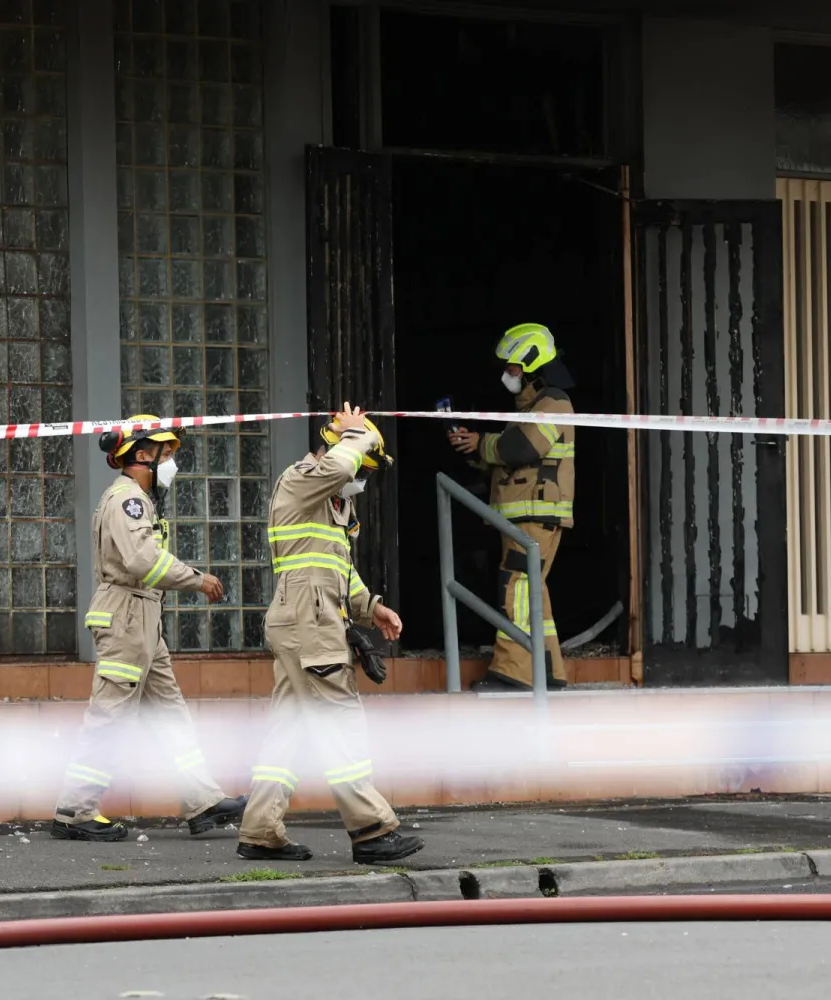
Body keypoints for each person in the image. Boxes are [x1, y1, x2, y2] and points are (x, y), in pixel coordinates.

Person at [237, 403, 424, 865]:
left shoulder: (333, 498)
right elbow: (341, 463)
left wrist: (372, 608)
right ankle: (371, 830)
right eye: (364, 465)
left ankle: (260, 830)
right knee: (341, 722)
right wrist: (357, 435)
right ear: (337, 446)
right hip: (308, 621)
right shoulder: (304, 477)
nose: (362, 475)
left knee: (289, 731)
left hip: (309, 618)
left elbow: (337, 567)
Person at [51, 414, 247, 842]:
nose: (173, 460)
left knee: (169, 714)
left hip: (141, 619)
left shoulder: (137, 499)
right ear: (142, 454)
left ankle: (202, 802)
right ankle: (75, 811)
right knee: (109, 715)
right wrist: (197, 579)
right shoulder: (128, 500)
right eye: (167, 452)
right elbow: (143, 561)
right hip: (126, 617)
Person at [448, 323, 576, 691]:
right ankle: (549, 671)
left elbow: (521, 449)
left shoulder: (555, 404)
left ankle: (514, 673)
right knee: (533, 593)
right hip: (524, 516)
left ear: (533, 367)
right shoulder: (531, 407)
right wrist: (474, 451)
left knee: (515, 588)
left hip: (537, 515)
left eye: (513, 368)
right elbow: (513, 461)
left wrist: (484, 442)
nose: (508, 375)